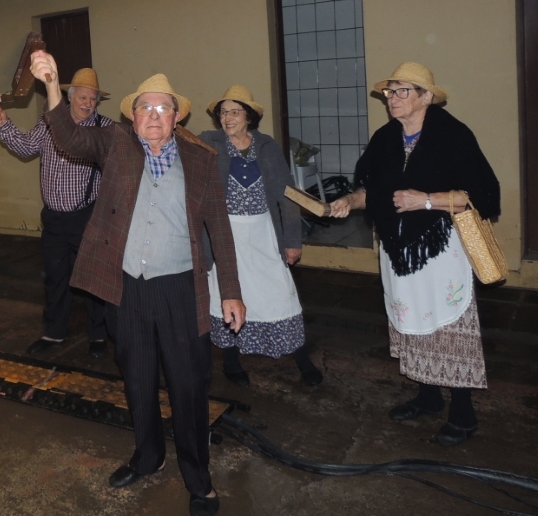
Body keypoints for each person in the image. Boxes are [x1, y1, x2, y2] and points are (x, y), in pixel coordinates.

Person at [33, 51, 245, 516]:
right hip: (127, 287)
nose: (153, 115)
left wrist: (230, 290)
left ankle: (199, 481)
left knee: (188, 386)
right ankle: (148, 456)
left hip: (179, 288)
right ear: (132, 115)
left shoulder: (201, 159)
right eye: (144, 107)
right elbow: (68, 137)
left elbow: (219, 228)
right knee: (138, 378)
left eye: (162, 108)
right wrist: (51, 84)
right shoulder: (115, 144)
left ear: (177, 116)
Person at [329, 62, 499, 447]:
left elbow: (482, 194)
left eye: (402, 91)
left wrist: (426, 200)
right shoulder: (385, 138)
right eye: (390, 92)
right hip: (397, 250)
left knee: (447, 326)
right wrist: (350, 201)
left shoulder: (453, 135)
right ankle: (428, 396)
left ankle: (463, 413)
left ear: (426, 97)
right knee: (412, 318)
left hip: (440, 249)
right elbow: (372, 189)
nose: (392, 98)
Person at [200, 86, 323, 387]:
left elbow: (288, 194)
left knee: (280, 293)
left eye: (235, 112)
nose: (227, 118)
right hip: (224, 234)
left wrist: (292, 240)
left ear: (249, 117)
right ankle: (231, 360)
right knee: (226, 295)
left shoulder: (267, 146)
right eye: (223, 112)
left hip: (263, 232)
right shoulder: (209, 142)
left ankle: (302, 358)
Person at [0, 67, 113, 357]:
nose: (88, 103)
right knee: (56, 278)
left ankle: (98, 335)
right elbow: (24, 148)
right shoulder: (49, 122)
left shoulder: (105, 128)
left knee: (92, 278)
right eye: (82, 97)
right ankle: (53, 333)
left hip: (87, 216)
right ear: (69, 97)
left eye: (93, 99)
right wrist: (4, 125)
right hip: (54, 219)